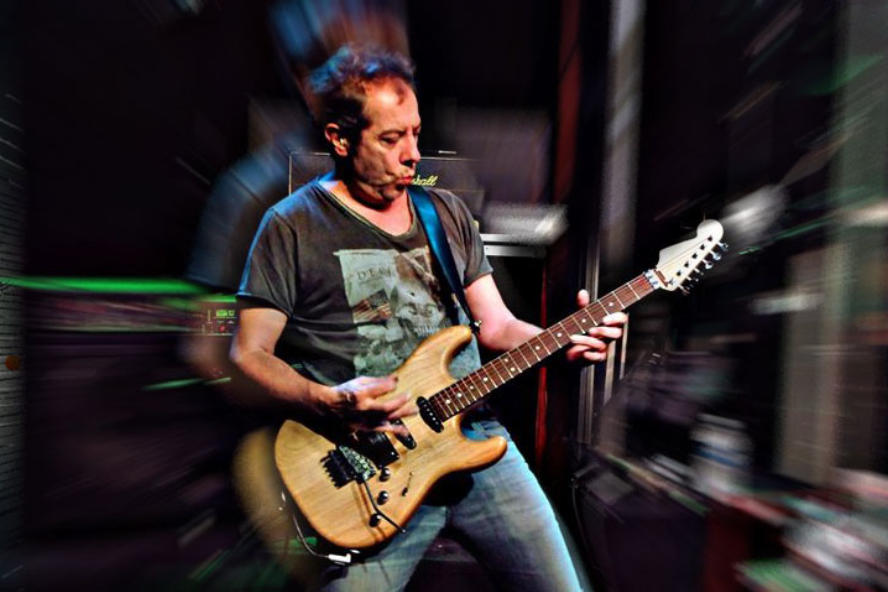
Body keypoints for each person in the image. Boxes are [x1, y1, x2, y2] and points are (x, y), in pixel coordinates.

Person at [231, 44, 626, 591]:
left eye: (415, 133)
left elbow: (497, 326)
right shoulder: (291, 226)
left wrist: (561, 342)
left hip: (478, 445)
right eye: (391, 138)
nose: (412, 154)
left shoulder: (446, 214)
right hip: (369, 468)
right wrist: (328, 401)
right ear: (340, 139)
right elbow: (249, 354)